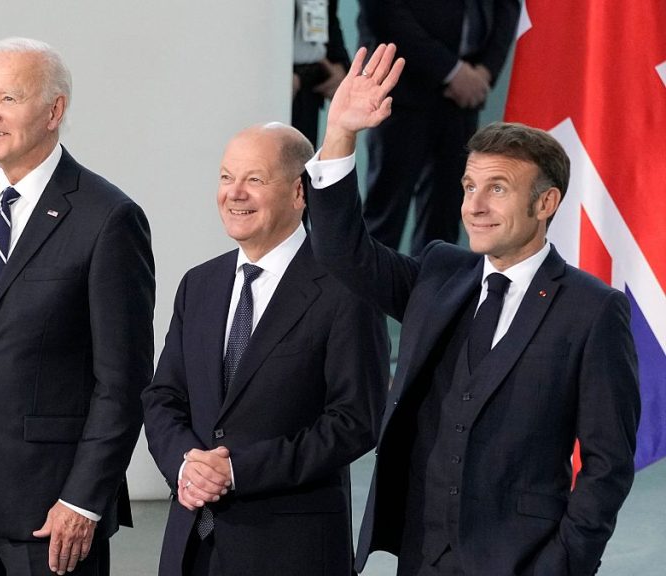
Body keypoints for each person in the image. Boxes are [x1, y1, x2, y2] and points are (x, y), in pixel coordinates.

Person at [306, 44, 640, 575]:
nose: (474, 206)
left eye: (497, 189)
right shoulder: (439, 273)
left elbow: (608, 462)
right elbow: (342, 251)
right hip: (418, 555)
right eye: (468, 187)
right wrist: (340, 135)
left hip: (523, 560)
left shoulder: (594, 311)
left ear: (545, 203)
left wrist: (565, 563)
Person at [0, 37, 155, 576]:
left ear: (53, 110)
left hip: (52, 511)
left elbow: (123, 382)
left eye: (8, 98)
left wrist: (83, 499)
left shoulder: (108, 217)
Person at [142, 122, 389, 575]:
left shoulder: (345, 289)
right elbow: (163, 397)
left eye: (254, 180)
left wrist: (238, 470)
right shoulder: (199, 284)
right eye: (225, 177)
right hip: (191, 548)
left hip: (290, 551)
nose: (234, 193)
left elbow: (356, 421)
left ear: (299, 193)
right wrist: (187, 467)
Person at [357, 0, 520, 254]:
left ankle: (433, 293)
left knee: (444, 220)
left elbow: (507, 7)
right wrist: (451, 72)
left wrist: (484, 73)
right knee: (384, 217)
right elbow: (383, 11)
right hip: (401, 92)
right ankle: (370, 294)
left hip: (464, 97)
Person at [292, 0, 350, 144]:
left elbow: (329, 16)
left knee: (302, 158)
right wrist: (275, 71)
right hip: (271, 83)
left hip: (311, 87)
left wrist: (340, 63)